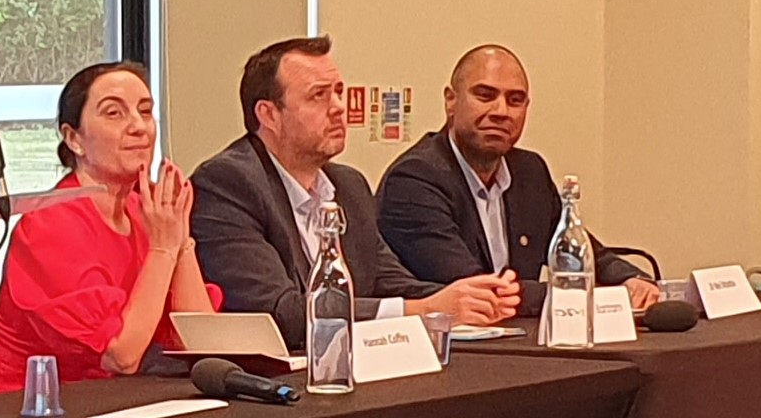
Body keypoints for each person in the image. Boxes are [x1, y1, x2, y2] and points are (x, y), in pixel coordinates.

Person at [190, 36, 516, 344]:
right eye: (319, 96)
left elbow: (387, 282)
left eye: (339, 92)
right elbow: (280, 312)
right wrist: (425, 309)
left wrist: (472, 298)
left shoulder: (349, 186)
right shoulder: (227, 184)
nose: (338, 108)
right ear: (269, 115)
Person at [0, 61, 222, 397]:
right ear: (74, 139)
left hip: (97, 407)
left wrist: (180, 240)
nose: (139, 127)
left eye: (145, 111)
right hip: (11, 412)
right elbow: (122, 355)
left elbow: (201, 342)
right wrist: (163, 249)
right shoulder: (50, 224)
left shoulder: (149, 210)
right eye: (114, 113)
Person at [377, 43, 657, 320]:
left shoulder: (529, 172)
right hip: (455, 350)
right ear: (451, 100)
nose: (501, 111)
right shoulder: (414, 179)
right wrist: (591, 295)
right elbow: (480, 291)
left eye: (515, 100)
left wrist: (631, 280)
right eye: (485, 96)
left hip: (521, 343)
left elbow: (579, 251)